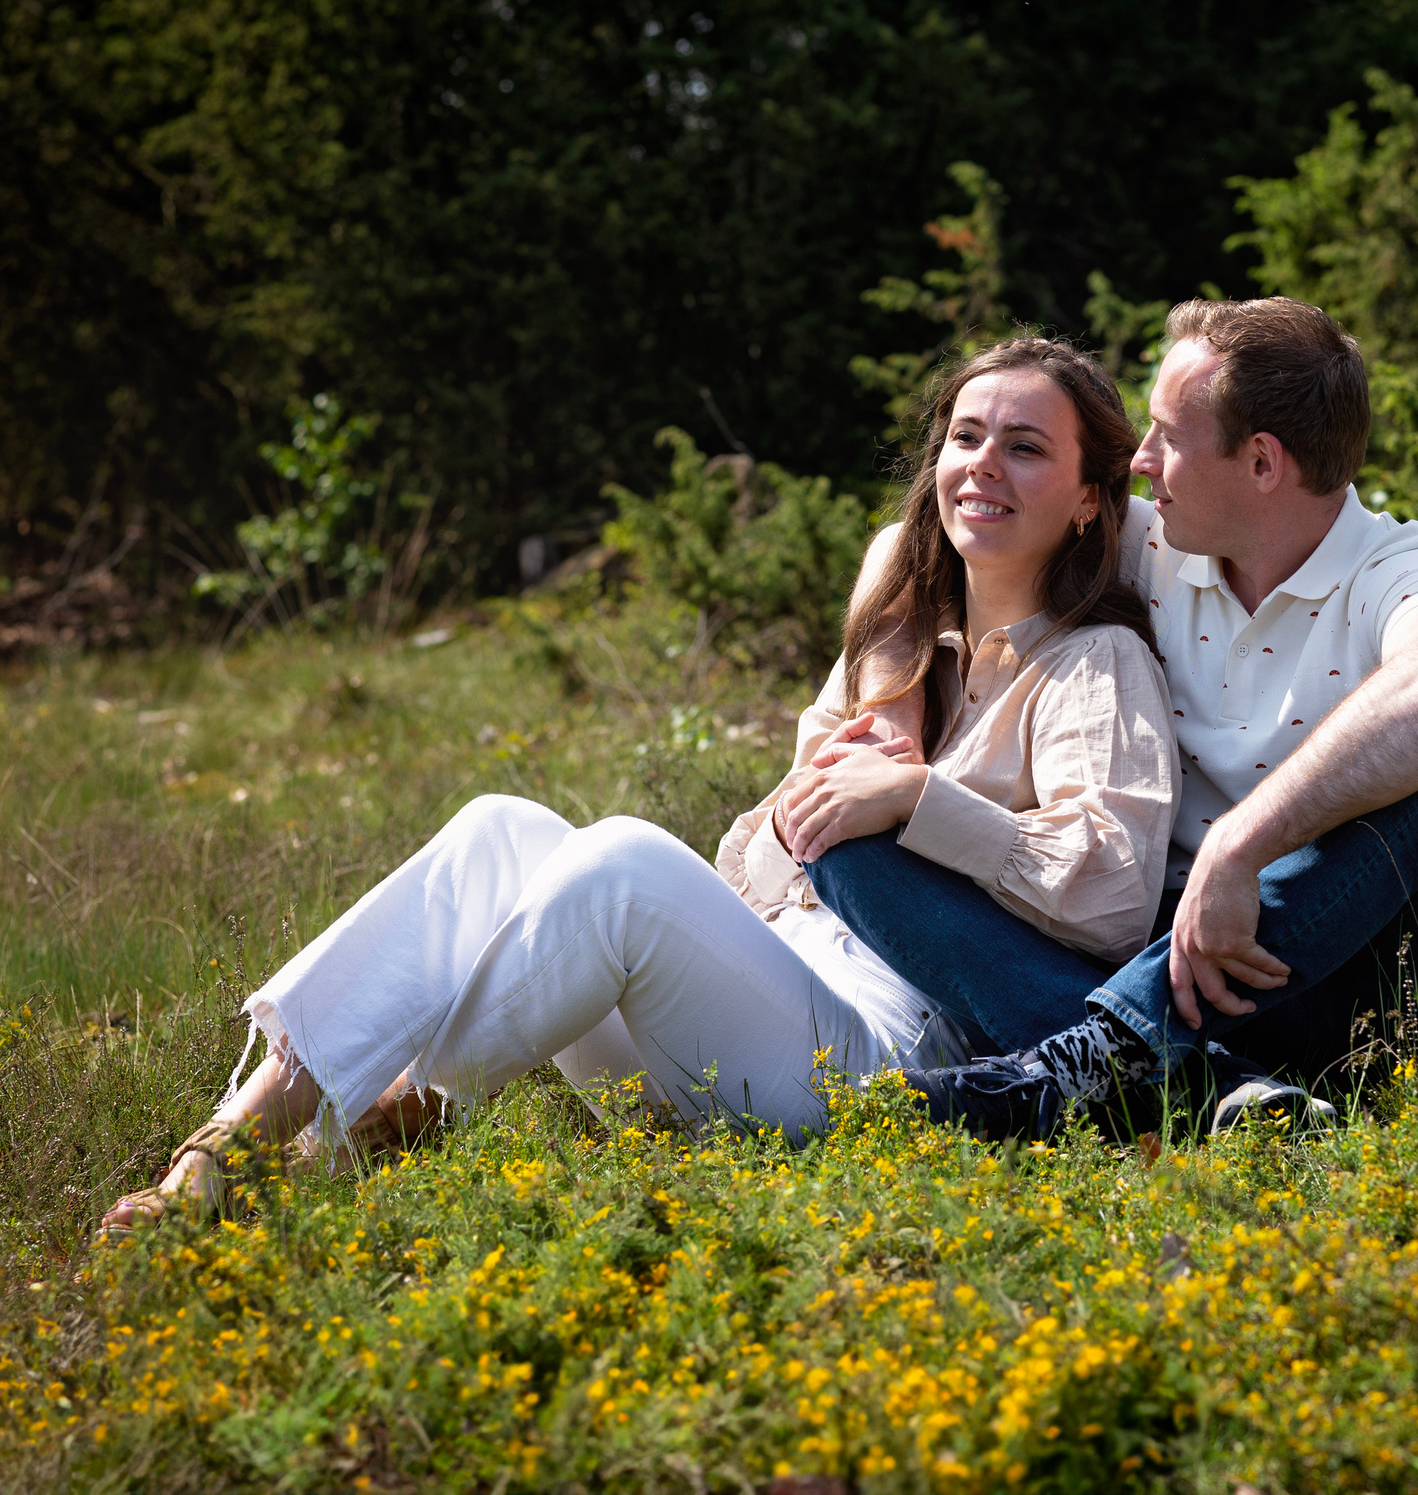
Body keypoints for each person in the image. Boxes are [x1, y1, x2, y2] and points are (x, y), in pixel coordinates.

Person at [101, 338, 1178, 1233]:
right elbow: (749, 865)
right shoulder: (896, 656)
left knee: (619, 860)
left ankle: (376, 1118)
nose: (983, 463)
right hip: (728, 1044)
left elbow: (1113, 895)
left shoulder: (1095, 665)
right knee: (501, 827)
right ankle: (221, 1147)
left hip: (879, 1068)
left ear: (1092, 502)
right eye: (966, 437)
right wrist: (859, 742)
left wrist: (916, 803)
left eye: (1026, 448)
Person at [798, 297, 1418, 1138]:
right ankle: (1206, 1090)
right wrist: (893, 723)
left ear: (1263, 462)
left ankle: (1079, 1067)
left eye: (1169, 435)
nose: (1140, 460)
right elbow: (917, 541)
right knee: (850, 834)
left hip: (1348, 990)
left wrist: (1243, 847)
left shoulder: (1400, 570)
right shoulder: (1163, 537)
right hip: (1167, 968)